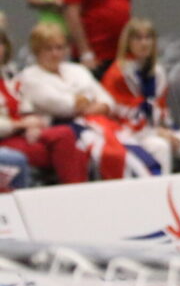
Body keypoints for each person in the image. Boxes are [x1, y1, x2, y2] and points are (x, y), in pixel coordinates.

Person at [18, 23, 127, 179]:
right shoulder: (30, 76)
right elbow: (62, 106)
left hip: (98, 124)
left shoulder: (77, 70)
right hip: (64, 129)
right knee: (109, 153)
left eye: (60, 48)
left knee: (135, 148)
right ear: (37, 51)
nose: (55, 53)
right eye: (48, 49)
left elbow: (108, 101)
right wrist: (87, 101)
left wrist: (95, 105)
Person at [103, 19, 180, 174]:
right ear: (128, 42)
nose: (144, 43)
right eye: (138, 38)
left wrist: (166, 131)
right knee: (161, 146)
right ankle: (159, 194)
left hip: (155, 129)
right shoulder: (119, 74)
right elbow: (122, 115)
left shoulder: (157, 71)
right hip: (126, 132)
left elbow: (160, 109)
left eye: (148, 38)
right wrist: (157, 133)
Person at [0, 29, 89, 186]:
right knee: (66, 147)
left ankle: (76, 193)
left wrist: (31, 125)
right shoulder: (27, 75)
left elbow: (24, 106)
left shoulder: (9, 75)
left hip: (20, 133)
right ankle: (75, 193)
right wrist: (19, 125)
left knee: (67, 137)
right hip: (5, 138)